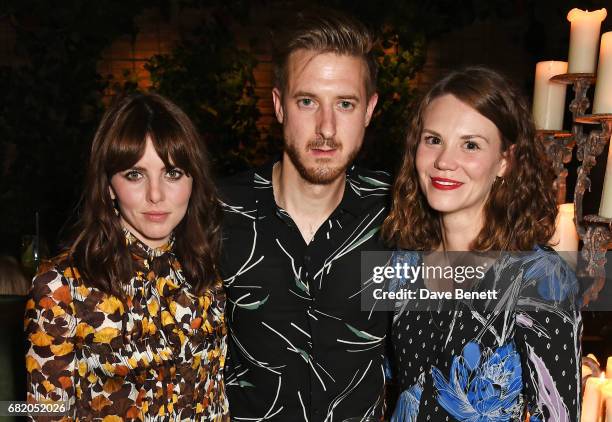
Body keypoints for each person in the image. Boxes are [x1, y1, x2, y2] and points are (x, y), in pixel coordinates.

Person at [382, 67, 582, 421]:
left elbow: (558, 414)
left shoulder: (540, 278)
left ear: (504, 160)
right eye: (433, 140)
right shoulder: (401, 264)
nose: (444, 161)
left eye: (470, 144)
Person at [219, 9, 391, 421]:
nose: (326, 128)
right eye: (307, 101)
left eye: (345, 104)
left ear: (368, 110)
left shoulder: (399, 213)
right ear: (279, 105)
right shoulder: (217, 212)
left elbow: (473, 301)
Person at [25, 93, 229, 420]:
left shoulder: (207, 269)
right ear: (108, 185)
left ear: (194, 182)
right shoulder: (62, 287)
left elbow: (217, 399)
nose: (156, 195)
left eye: (173, 173)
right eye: (135, 174)